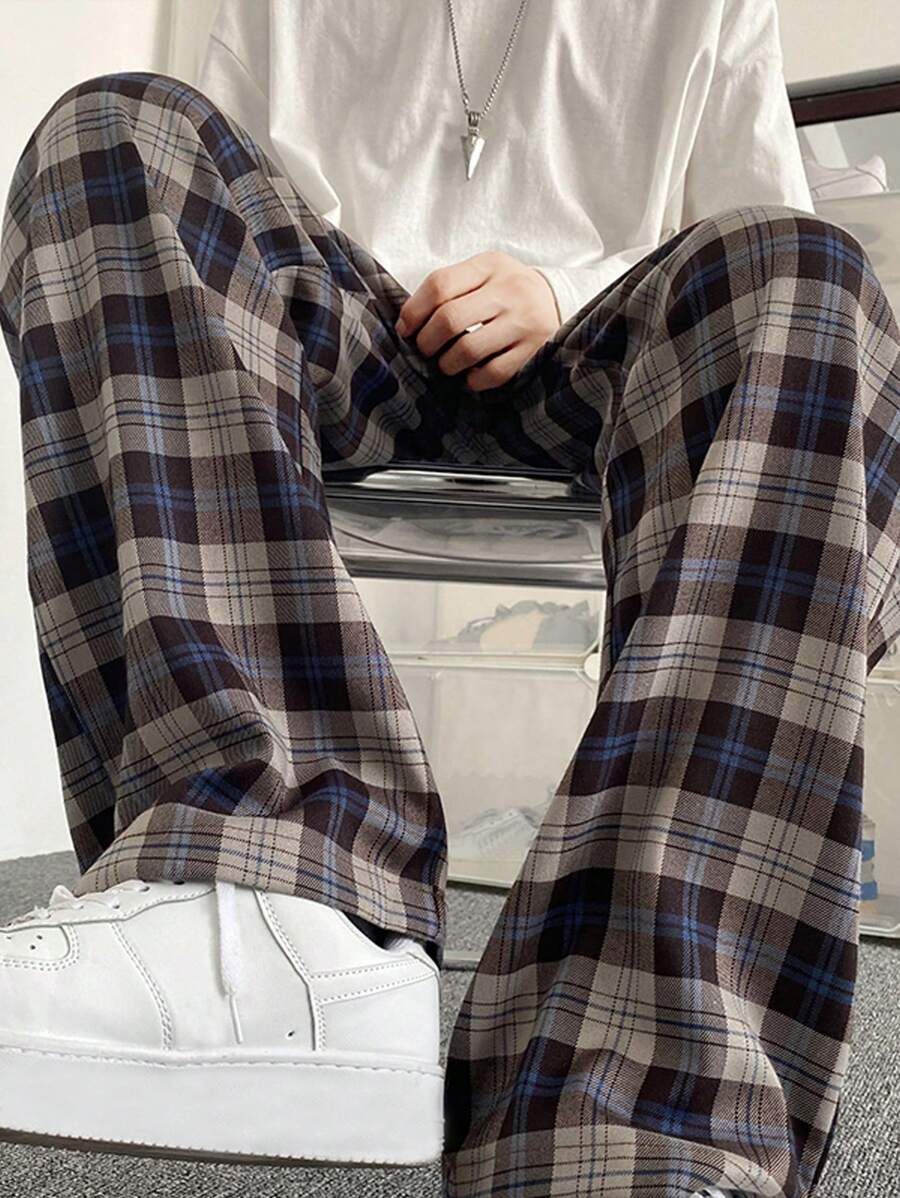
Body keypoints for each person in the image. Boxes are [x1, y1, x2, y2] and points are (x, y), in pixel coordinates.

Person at [0, 1, 898, 1195]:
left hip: (603, 347)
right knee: (114, 131)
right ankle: (276, 903)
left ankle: (637, 1098)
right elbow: (227, 194)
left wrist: (561, 286)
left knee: (810, 277)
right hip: (348, 331)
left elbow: (746, 225)